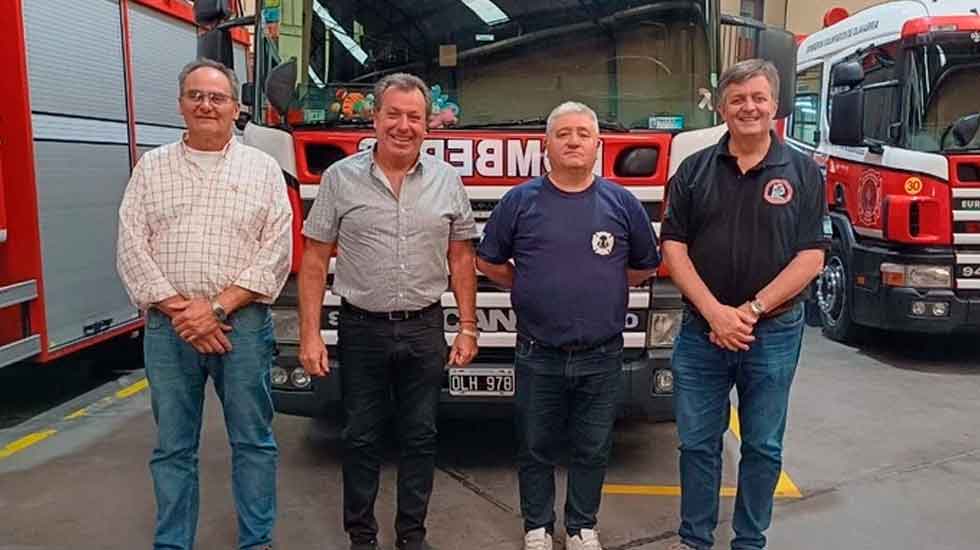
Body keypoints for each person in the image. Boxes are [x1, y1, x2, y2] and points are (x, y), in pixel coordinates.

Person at [297, 73, 480, 550]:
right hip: (362, 328)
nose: (404, 126)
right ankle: (362, 537)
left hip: (424, 328)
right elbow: (315, 257)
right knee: (360, 437)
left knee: (421, 437)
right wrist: (310, 333)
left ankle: (411, 537)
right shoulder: (339, 179)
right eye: (393, 115)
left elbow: (462, 257)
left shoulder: (447, 181)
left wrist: (468, 327)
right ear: (375, 118)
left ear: (428, 124)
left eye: (414, 117)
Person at [116, 58, 293, 550]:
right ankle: (173, 543)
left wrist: (215, 309)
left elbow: (277, 250)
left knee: (253, 442)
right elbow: (131, 246)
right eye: (196, 95)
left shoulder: (261, 170)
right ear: (181, 105)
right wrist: (184, 311)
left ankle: (256, 542)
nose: (206, 105)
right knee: (173, 448)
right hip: (168, 331)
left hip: (242, 326)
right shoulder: (152, 168)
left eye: (217, 97)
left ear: (235, 108)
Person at [660, 59, 829, 550]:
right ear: (722, 107)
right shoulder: (694, 171)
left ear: (775, 106)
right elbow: (674, 247)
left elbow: (811, 256)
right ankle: (695, 539)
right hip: (700, 334)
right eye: (738, 99)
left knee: (762, 446)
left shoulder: (802, 171)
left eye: (758, 98)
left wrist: (749, 311)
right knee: (696, 444)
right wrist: (715, 313)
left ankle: (749, 541)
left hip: (773, 332)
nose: (749, 107)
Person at [477, 101, 661, 550]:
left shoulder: (622, 203)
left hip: (602, 352)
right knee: (535, 446)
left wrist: (600, 284)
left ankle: (581, 526)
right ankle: (537, 527)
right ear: (547, 145)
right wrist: (530, 283)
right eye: (563, 134)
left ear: (598, 144)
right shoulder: (520, 202)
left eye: (583, 133)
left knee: (593, 447)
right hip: (538, 351)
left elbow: (643, 265)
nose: (574, 141)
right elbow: (488, 260)